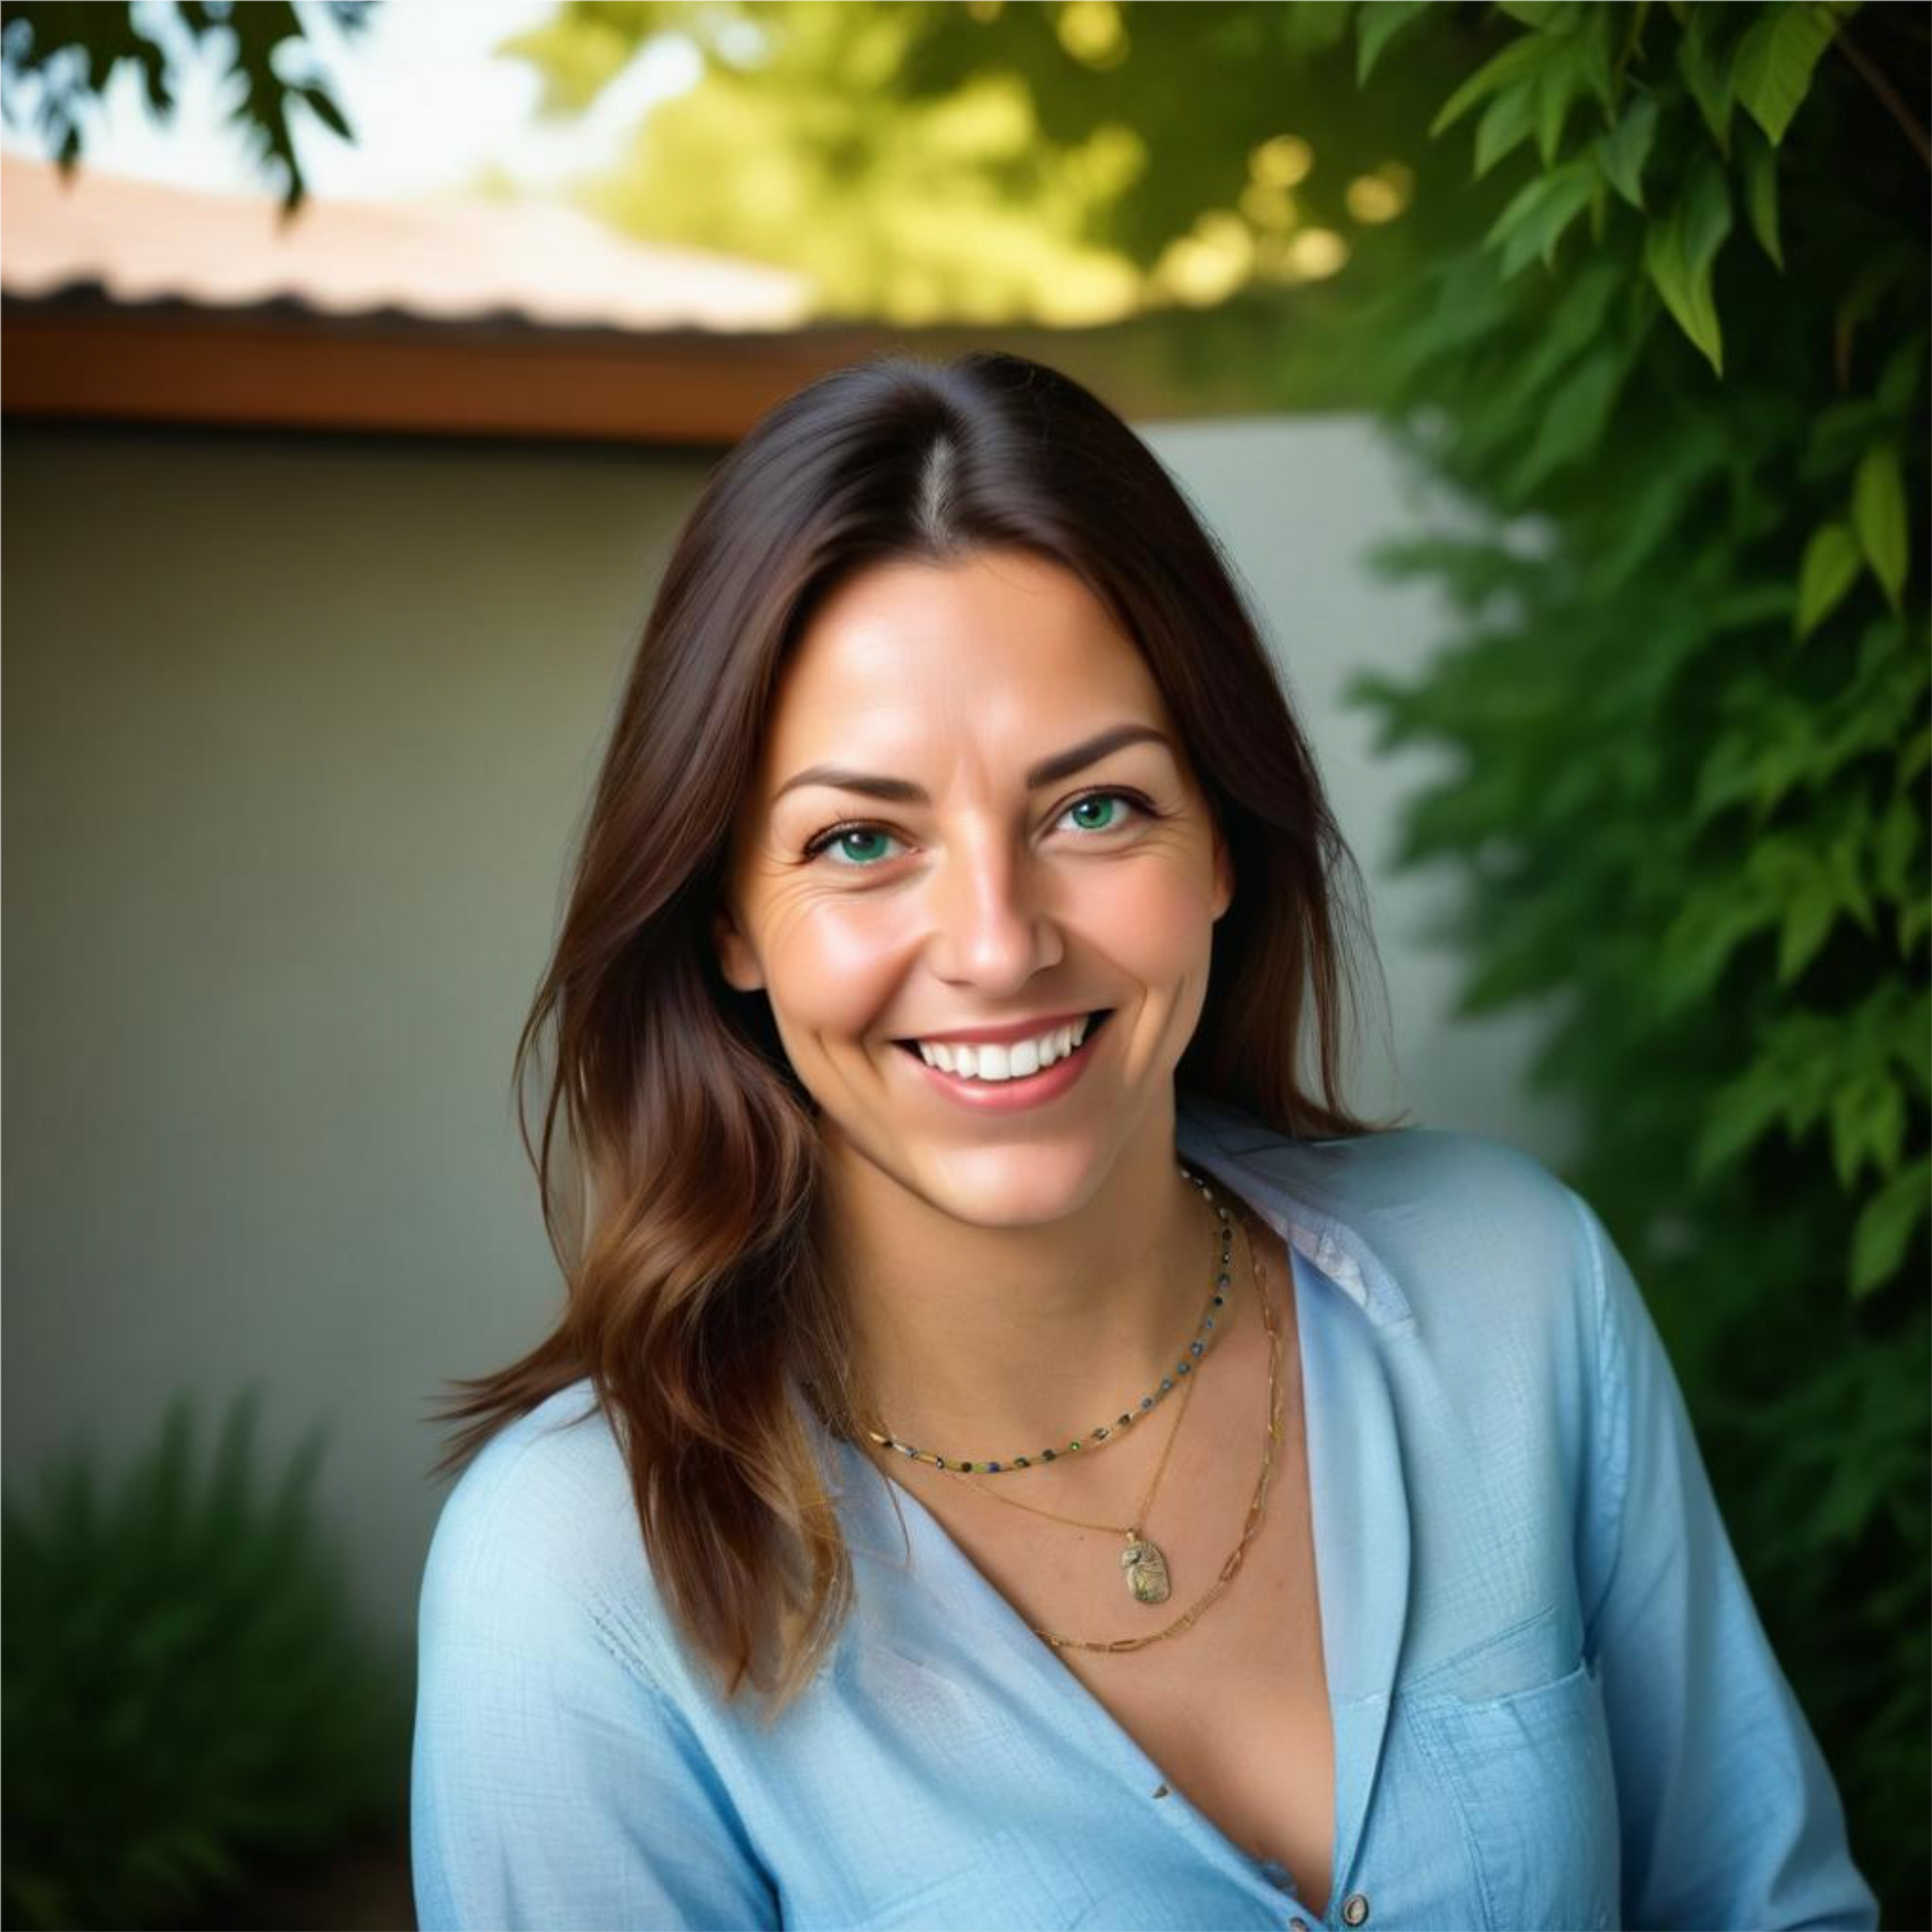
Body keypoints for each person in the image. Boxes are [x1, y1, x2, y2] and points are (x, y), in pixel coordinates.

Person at [409, 349, 1879, 1931]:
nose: (993, 942)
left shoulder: (1509, 1288)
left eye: (1091, 808)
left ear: (1223, 840)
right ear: (728, 922)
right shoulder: (568, 1584)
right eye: (858, 839)